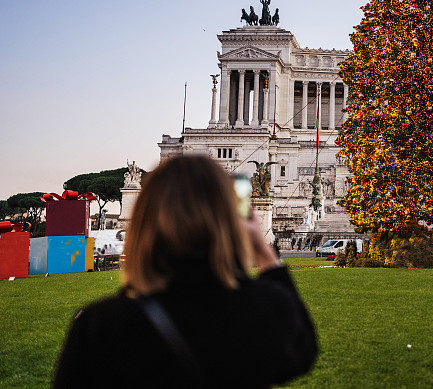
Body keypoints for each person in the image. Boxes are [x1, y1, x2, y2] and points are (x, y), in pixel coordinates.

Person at [54, 155, 317, 388]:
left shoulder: (99, 325)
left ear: (145, 221)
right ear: (228, 222)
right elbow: (302, 353)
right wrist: (264, 251)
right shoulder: (262, 307)